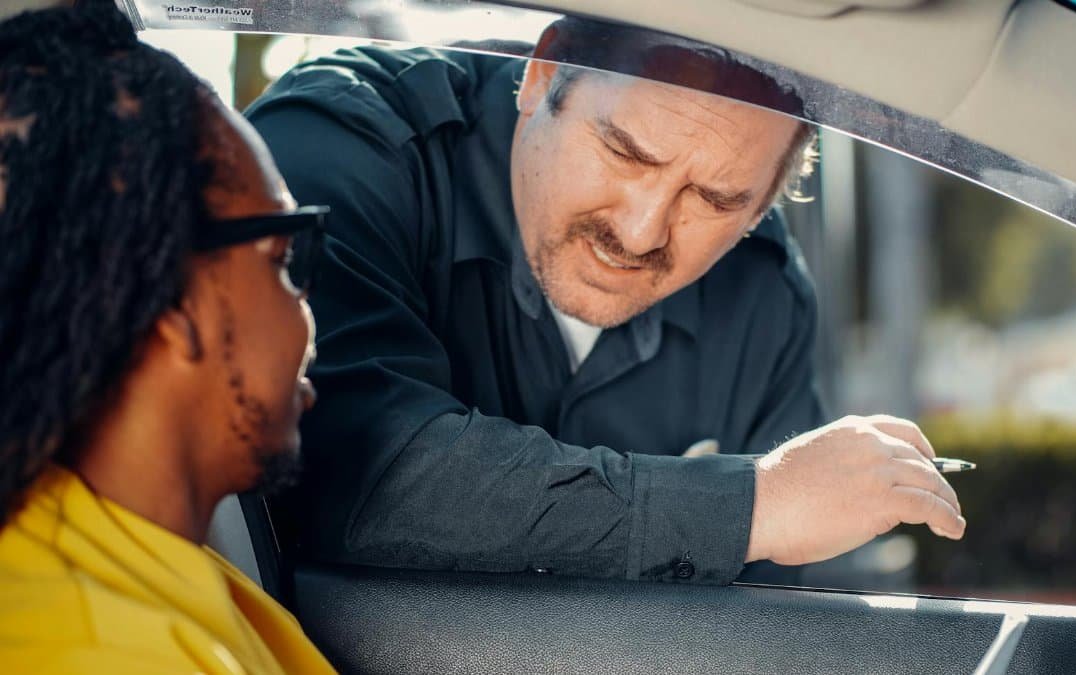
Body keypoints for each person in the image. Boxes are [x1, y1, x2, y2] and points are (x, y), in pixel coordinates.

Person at [248, 17, 966, 585]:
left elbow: (760, 625)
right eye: (625, 151)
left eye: (715, 199)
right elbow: (364, 475)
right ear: (543, 74)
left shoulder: (764, 299)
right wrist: (751, 503)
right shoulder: (343, 148)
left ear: (764, 205)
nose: (641, 228)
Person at [0, 3, 334, 671]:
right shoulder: (102, 651)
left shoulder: (143, 560)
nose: (307, 312)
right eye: (280, 260)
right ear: (171, 302)